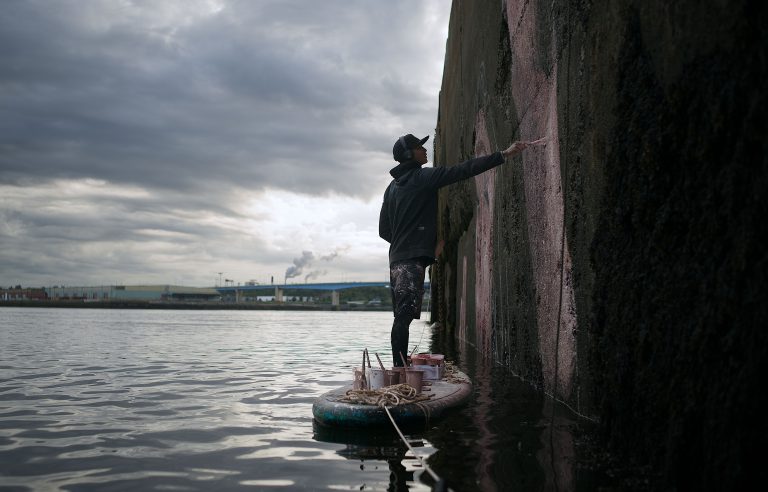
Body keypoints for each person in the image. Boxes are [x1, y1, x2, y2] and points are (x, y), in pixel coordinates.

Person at [379, 133, 531, 366]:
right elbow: (462, 170)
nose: (425, 150)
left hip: (397, 260)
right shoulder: (422, 177)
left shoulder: (390, 189)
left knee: (402, 316)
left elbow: (384, 231)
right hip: (410, 261)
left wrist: (411, 244)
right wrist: (504, 155)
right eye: (421, 147)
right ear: (410, 154)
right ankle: (399, 370)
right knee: (404, 316)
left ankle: (399, 367)